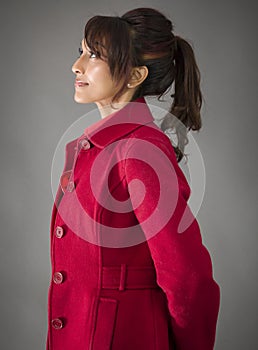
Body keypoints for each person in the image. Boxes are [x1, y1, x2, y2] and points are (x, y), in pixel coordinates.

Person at [46, 7, 220, 350]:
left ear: (135, 75)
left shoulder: (140, 150)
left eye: (94, 55)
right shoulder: (98, 147)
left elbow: (187, 277)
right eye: (80, 51)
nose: (76, 65)